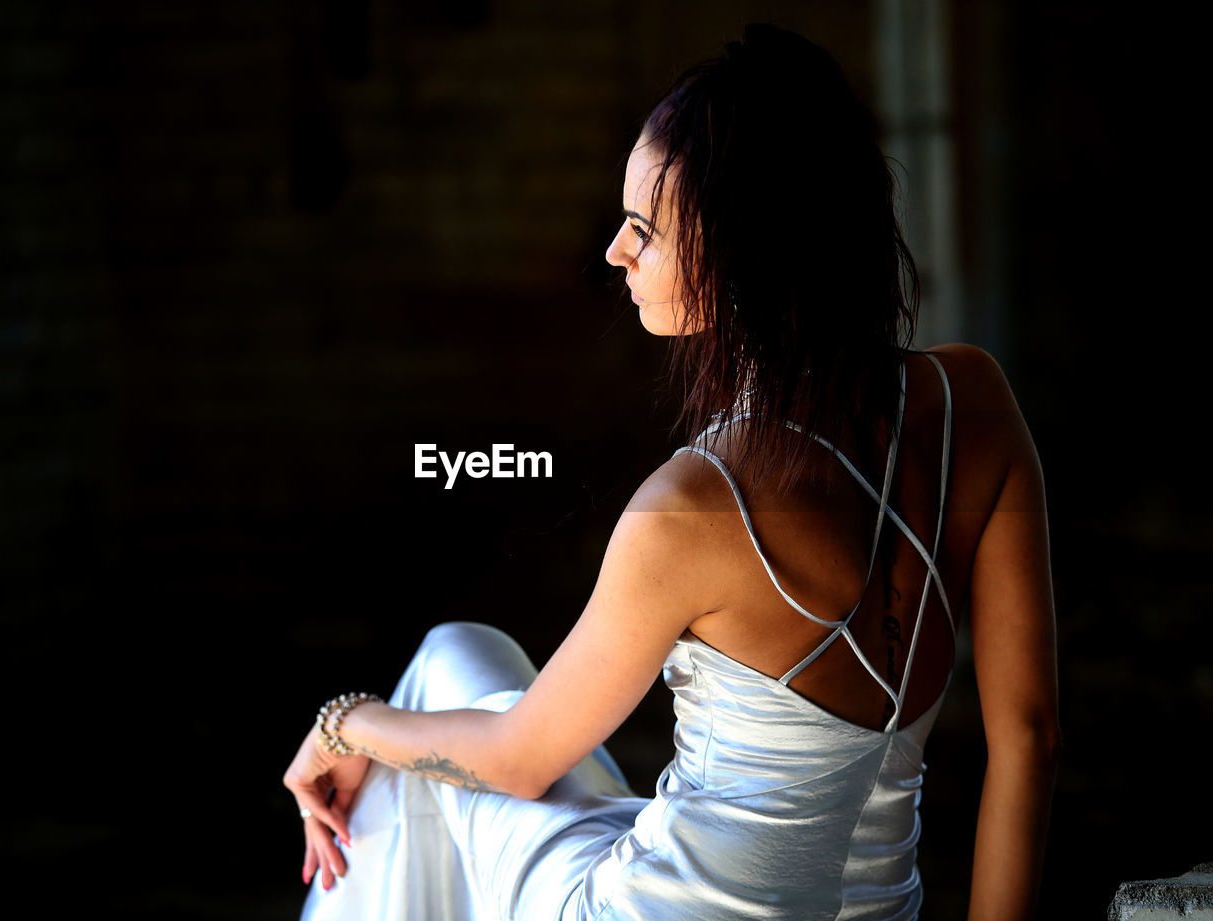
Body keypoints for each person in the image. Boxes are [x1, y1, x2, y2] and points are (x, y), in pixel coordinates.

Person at [283, 23, 1061, 921]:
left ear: (739, 258)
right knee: (469, 655)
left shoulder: (694, 506)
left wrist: (344, 723)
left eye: (644, 230)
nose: (615, 251)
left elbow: (521, 757)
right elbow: (1030, 738)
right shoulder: (977, 405)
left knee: (437, 676)